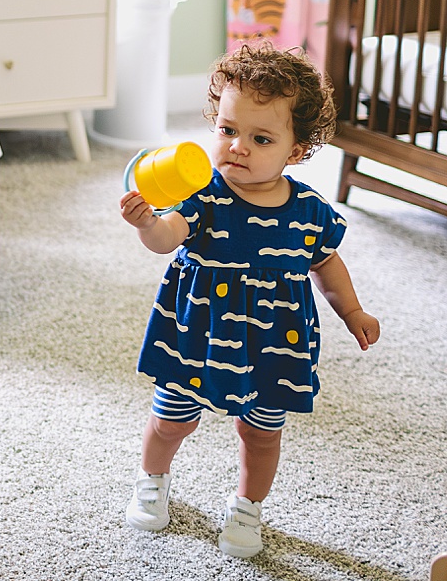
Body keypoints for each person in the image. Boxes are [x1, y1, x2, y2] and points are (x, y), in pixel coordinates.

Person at [118, 41, 380, 558]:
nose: (237, 147)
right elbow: (168, 236)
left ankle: (247, 506)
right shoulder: (205, 194)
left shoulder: (310, 211)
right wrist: (147, 221)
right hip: (197, 332)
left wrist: (352, 311)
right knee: (172, 418)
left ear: (296, 151)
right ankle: (152, 478)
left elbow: (326, 262)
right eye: (227, 130)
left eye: (261, 138)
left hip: (271, 340)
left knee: (261, 434)